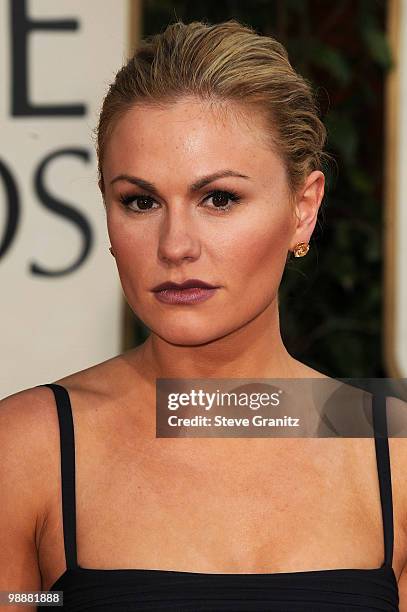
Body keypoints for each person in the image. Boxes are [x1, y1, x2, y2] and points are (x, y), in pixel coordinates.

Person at [0, 18, 406, 611]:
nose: (174, 246)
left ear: (303, 208)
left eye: (219, 198)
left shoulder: (391, 453)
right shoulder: (28, 449)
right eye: (140, 202)